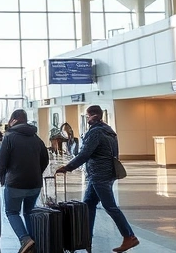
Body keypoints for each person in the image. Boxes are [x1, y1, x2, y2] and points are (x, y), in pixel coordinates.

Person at [56, 105, 139, 253]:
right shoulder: (109, 131)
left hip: (99, 174)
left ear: (94, 116)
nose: (87, 119)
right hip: (106, 173)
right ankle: (86, 238)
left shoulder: (95, 133)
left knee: (110, 206)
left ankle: (129, 236)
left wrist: (68, 167)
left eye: (87, 116)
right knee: (88, 204)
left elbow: (85, 154)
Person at [0, 109, 49, 253]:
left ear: (13, 120)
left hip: (15, 184)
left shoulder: (9, 137)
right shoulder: (37, 138)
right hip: (35, 184)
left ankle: (25, 239)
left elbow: (1, 163)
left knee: (12, 212)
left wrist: (3, 180)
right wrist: (36, 174)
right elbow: (45, 160)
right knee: (28, 212)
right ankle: (33, 244)